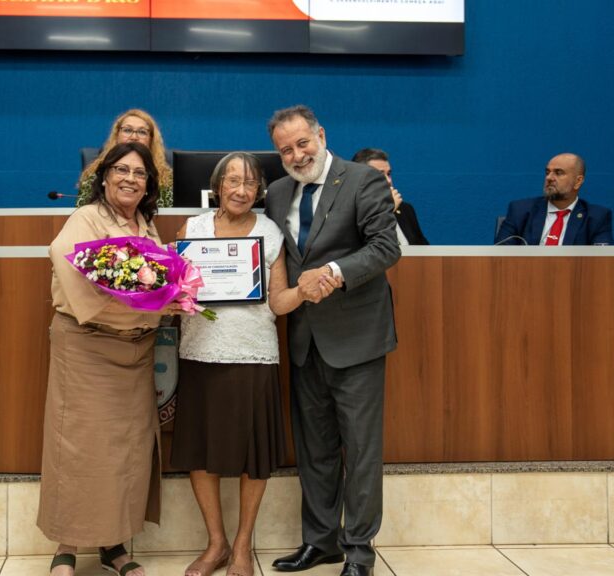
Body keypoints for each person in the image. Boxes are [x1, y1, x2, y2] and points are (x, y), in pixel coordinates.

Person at [172, 153, 336, 576]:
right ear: (217, 187)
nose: (241, 190)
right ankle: (217, 544)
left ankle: (242, 546)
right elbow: (176, 289)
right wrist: (174, 296)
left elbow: (279, 303)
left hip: (253, 355)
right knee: (200, 453)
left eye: (249, 183)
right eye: (232, 182)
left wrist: (303, 290)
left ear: (260, 190)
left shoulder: (270, 233)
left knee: (253, 456)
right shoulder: (193, 229)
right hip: (200, 352)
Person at [263, 105, 400, 576]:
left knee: (360, 452)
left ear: (321, 134)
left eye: (303, 143)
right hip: (304, 341)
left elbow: (386, 247)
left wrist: (336, 273)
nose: (296, 155)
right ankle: (320, 543)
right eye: (285, 149)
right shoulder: (277, 192)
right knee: (315, 451)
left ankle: (359, 553)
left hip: (357, 338)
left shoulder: (362, 180)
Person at [39, 142, 168, 576]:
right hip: (88, 347)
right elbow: (69, 268)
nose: (131, 179)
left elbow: (160, 283)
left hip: (136, 351)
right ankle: (67, 546)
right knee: (78, 448)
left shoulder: (147, 224)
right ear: (105, 175)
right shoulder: (87, 217)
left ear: (149, 184)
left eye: (140, 173)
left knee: (126, 454)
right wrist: (146, 307)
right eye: (122, 170)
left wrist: (173, 298)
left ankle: (114, 545)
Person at [494, 153, 613, 245]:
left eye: (558, 173)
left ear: (578, 181)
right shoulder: (519, 210)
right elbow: (500, 255)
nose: (549, 178)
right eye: (547, 172)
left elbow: (603, 261)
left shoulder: (596, 217)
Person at [77, 109, 174, 207]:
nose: (134, 137)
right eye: (127, 130)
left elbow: (173, 215)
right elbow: (81, 211)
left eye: (142, 132)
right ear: (117, 135)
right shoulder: (95, 173)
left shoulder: (167, 178)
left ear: (151, 139)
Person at [351, 148, 429, 245]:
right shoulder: (351, 213)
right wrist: (387, 211)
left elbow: (423, 250)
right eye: (380, 174)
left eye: (388, 174)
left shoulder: (405, 209)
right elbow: (364, 250)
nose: (388, 180)